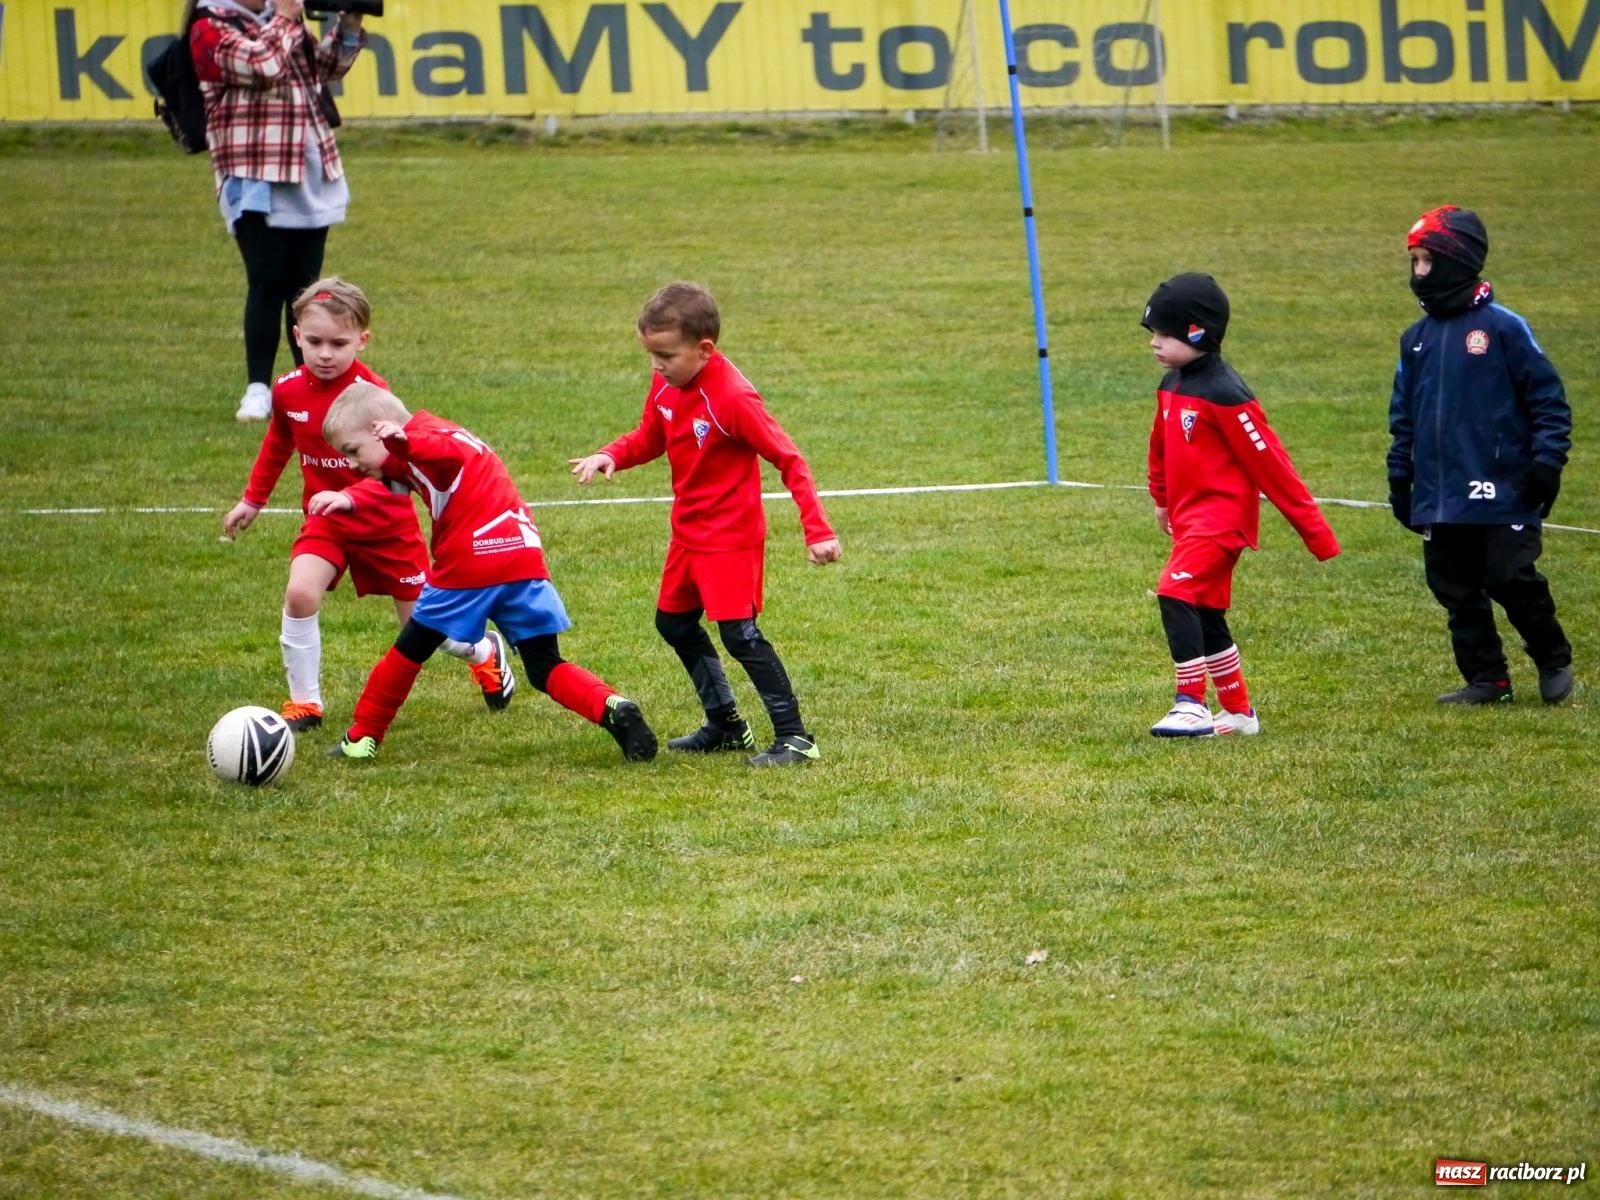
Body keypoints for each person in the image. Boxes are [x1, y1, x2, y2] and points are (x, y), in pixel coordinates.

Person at [222, 278, 514, 732]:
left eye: (338, 343)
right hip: (327, 522)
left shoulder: (374, 395)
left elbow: (400, 467)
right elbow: (279, 441)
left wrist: (350, 495)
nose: (324, 353)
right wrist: (252, 500)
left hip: (386, 523)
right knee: (300, 593)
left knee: (430, 633)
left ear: (362, 340)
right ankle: (305, 703)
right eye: (314, 341)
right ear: (296, 335)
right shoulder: (287, 391)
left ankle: (483, 651)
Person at [569, 282, 842, 768]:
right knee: (673, 623)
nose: (656, 367)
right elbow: (651, 435)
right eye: (651, 356)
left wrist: (817, 530)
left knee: (740, 635)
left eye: (666, 356)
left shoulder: (733, 398)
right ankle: (726, 725)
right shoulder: (669, 383)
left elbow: (790, 459)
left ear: (704, 349)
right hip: (688, 534)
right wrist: (610, 454)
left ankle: (796, 739)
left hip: (730, 538)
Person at [316, 382, 659, 763]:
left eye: (352, 450)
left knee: (408, 650)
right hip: (522, 555)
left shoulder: (425, 441)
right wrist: (350, 495)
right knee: (544, 666)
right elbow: (394, 481)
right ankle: (613, 706)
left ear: (381, 428)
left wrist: (403, 443)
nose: (350, 462)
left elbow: (443, 455)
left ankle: (362, 737)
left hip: (472, 560)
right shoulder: (431, 440)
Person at [1386, 205, 1574, 706]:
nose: (1419, 272)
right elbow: (1403, 413)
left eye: (1428, 260)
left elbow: (1548, 402)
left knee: (1509, 577)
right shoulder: (1416, 339)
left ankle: (1552, 655)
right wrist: (1400, 474)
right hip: (1439, 491)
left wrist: (1546, 464)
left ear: (1459, 260)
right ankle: (1487, 679)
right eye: (1414, 262)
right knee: (1454, 586)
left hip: (1504, 486)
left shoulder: (1503, 328)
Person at [1142, 272, 1341, 738]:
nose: (1155, 343)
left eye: (1165, 334)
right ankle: (1238, 712)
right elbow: (1160, 446)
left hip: (1222, 522)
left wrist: (1318, 537)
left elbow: (1274, 469)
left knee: (1174, 592)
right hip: (1190, 521)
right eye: (1152, 333)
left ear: (1197, 333)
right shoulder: (1173, 383)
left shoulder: (1227, 395)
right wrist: (1162, 498)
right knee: (1207, 611)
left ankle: (1190, 703)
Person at [184, 0, 369, 421]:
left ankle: (310, 384)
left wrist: (350, 23)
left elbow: (325, 71)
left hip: (309, 171)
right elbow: (262, 66)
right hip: (254, 173)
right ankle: (257, 389)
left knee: (305, 288)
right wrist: (286, 18)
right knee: (266, 280)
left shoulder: (280, 20)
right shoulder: (208, 27)